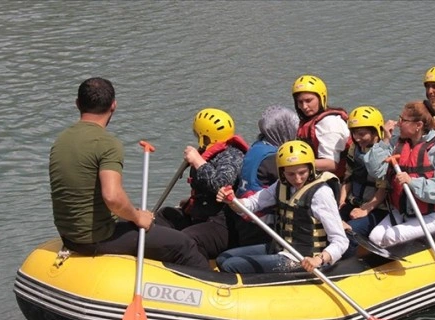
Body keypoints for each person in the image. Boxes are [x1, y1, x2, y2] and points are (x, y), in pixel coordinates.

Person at [49, 77, 210, 269]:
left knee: (158, 221)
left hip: (70, 235)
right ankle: (217, 289)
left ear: (77, 104)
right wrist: (136, 216)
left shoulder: (61, 140)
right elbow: (112, 196)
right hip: (97, 237)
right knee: (184, 245)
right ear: (113, 105)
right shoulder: (106, 143)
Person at [215, 140, 349, 274]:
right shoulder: (281, 185)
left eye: (302, 172)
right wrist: (232, 201)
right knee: (223, 258)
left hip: (303, 258)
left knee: (231, 265)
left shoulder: (321, 193)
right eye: (291, 174)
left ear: (311, 168)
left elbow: (340, 241)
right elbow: (252, 204)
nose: (297, 179)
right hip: (280, 248)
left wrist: (319, 259)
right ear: (282, 172)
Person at [154, 108, 248, 259]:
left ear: (204, 136)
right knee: (163, 216)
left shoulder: (232, 156)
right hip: (201, 215)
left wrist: (198, 161)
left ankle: (199, 271)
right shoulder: (211, 152)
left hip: (223, 224)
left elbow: (221, 184)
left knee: (185, 239)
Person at [364, 101, 435, 248]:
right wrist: (385, 140)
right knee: (375, 238)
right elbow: (376, 171)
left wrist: (412, 182)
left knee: (390, 236)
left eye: (403, 120)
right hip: (404, 212)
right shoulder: (397, 144)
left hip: (433, 216)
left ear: (418, 125)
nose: (399, 124)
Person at [227, 105, 299, 248]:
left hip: (243, 220)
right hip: (262, 227)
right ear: (284, 129)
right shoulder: (274, 158)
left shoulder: (257, 146)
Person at [339, 105, 391, 256]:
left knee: (350, 231)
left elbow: (383, 187)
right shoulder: (354, 149)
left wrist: (365, 210)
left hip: (377, 209)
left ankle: (345, 266)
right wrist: (341, 201)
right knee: (327, 223)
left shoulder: (384, 152)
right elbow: (348, 176)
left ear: (376, 131)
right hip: (354, 202)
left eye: (362, 134)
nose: (357, 138)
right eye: (354, 133)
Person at [291, 75, 351, 179]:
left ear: (321, 98)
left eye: (309, 100)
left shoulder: (329, 124)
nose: (304, 106)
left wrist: (295, 164)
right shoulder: (310, 121)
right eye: (300, 102)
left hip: (338, 182)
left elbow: (332, 164)